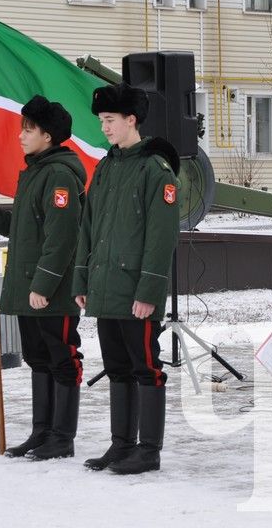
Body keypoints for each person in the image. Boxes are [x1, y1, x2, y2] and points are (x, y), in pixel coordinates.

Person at [73, 84, 180, 475]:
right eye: (101, 121)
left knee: (145, 368)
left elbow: (161, 235)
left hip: (136, 291)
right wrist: (81, 279)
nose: (104, 128)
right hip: (106, 288)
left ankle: (148, 451)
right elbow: (88, 226)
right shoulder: (105, 167)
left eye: (110, 120)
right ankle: (121, 445)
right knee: (117, 367)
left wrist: (149, 290)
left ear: (131, 120)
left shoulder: (155, 170)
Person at [0, 96, 86, 460]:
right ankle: (42, 431)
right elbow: (30, 229)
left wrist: (42, 285)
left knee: (61, 358)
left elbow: (62, 237)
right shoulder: (35, 171)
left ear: (49, 135)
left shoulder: (59, 175)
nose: (21, 135)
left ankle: (62, 436)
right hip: (30, 288)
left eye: (29, 129)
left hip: (51, 291)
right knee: (38, 358)